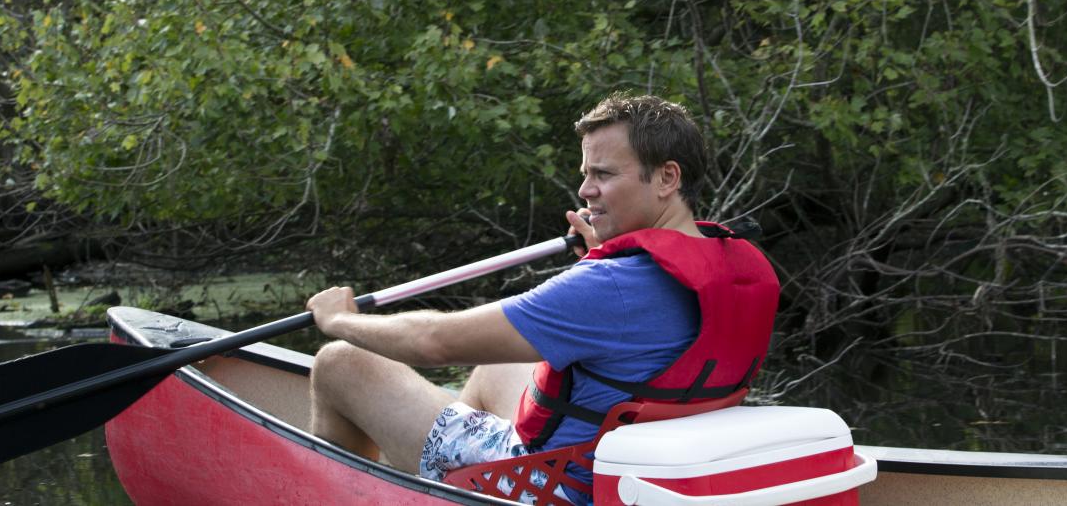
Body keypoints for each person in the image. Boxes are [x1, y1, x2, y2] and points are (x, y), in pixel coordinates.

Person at [306, 93, 779, 503]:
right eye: (585, 173)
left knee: (339, 362)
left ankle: (444, 479)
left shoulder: (610, 287)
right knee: (500, 361)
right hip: (633, 473)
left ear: (666, 178)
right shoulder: (744, 266)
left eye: (603, 174)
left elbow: (434, 343)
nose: (584, 190)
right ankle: (439, 473)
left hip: (552, 488)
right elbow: (644, 337)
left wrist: (339, 319)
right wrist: (601, 257)